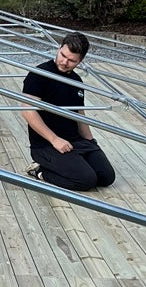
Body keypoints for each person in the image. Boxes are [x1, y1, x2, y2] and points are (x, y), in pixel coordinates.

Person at [20, 31, 115, 193]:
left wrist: (90, 141)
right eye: (62, 55)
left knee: (106, 177)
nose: (64, 62)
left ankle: (73, 162)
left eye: (72, 60)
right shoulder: (39, 74)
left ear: (80, 61)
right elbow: (27, 111)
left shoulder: (77, 81)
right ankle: (40, 171)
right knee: (86, 180)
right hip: (46, 144)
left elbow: (78, 113)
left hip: (75, 140)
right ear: (59, 48)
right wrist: (54, 139)